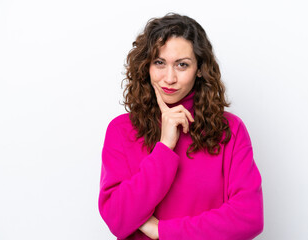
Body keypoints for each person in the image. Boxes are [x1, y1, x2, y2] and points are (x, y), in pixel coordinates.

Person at [98, 13, 263, 240]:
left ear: (199, 69)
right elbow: (118, 219)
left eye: (182, 65)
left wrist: (162, 231)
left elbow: (249, 218)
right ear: (146, 66)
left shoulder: (229, 130)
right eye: (159, 63)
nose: (169, 78)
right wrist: (165, 147)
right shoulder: (121, 130)